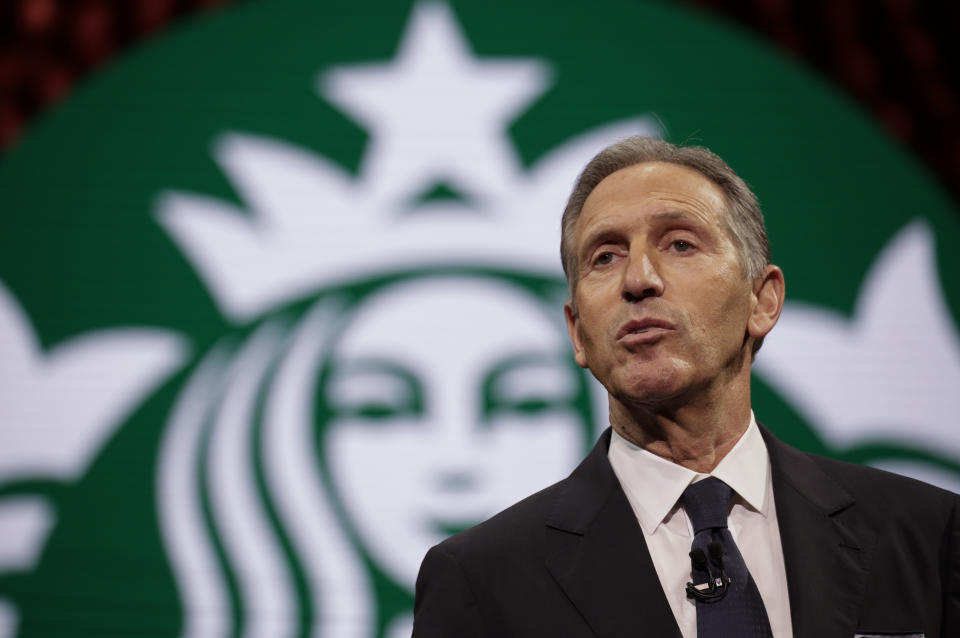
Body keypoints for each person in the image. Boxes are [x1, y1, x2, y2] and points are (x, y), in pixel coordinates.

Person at [411, 136, 960, 637]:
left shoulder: (925, 536)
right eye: (605, 256)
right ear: (578, 332)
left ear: (762, 300)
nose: (638, 279)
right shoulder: (482, 583)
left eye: (679, 244)